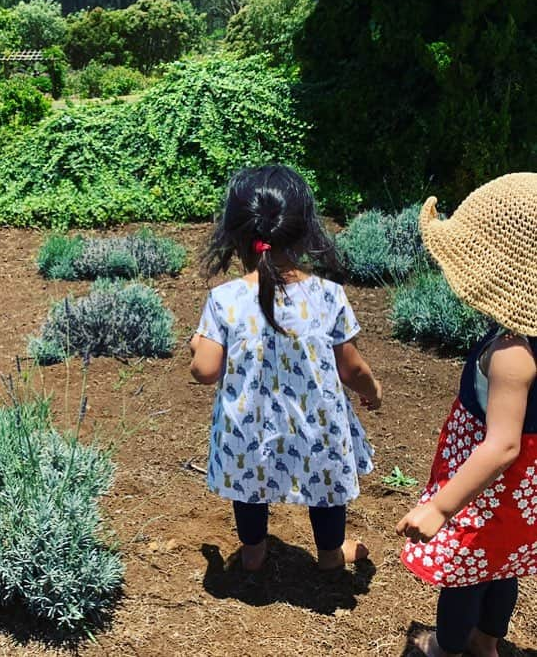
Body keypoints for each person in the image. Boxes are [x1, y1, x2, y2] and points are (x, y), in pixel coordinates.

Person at [190, 164, 382, 572]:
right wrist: (372, 390)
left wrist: (197, 343)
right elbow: (351, 369)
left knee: (249, 485)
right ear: (304, 229)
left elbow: (205, 369)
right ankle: (331, 555)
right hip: (314, 424)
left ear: (237, 231)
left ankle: (254, 553)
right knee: (325, 487)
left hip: (249, 427)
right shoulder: (328, 296)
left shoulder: (224, 298)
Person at [396, 174, 537, 657]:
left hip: (488, 486)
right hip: (521, 491)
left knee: (465, 569)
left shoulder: (512, 353)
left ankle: (447, 648)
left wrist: (441, 506)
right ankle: (487, 642)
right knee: (502, 564)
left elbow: (502, 444)